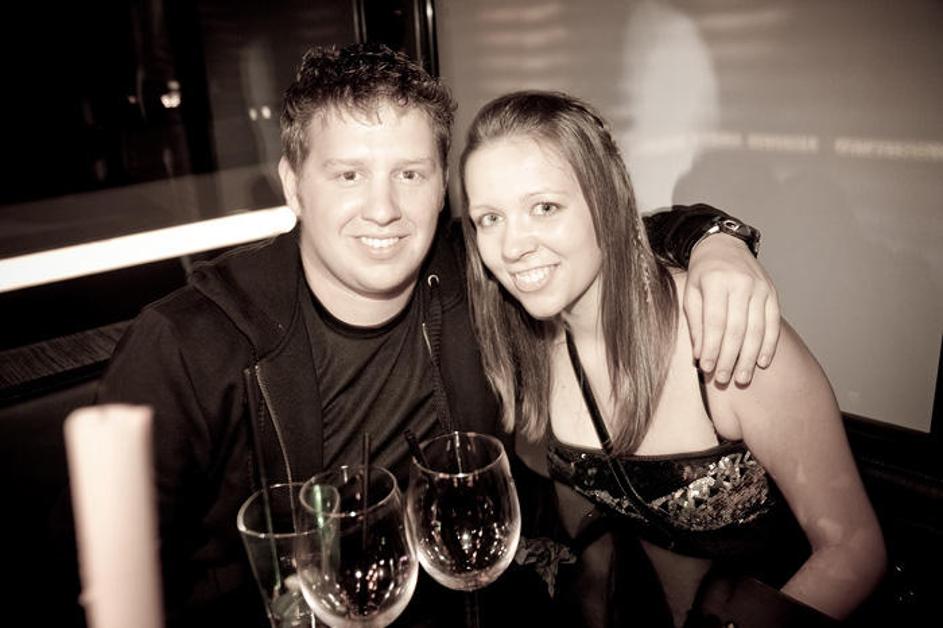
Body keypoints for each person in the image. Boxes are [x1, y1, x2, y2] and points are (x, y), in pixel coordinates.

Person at [93, 44, 779, 627]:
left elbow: (590, 232)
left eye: (410, 174)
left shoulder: (471, 270)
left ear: (441, 189)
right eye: (349, 175)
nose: (384, 209)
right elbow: (113, 578)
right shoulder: (191, 345)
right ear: (293, 187)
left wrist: (713, 240)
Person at [459, 90, 885, 627]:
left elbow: (853, 550)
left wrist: (720, 240)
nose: (512, 245)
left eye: (544, 207)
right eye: (489, 218)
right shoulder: (532, 342)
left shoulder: (723, 332)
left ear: (605, 201)